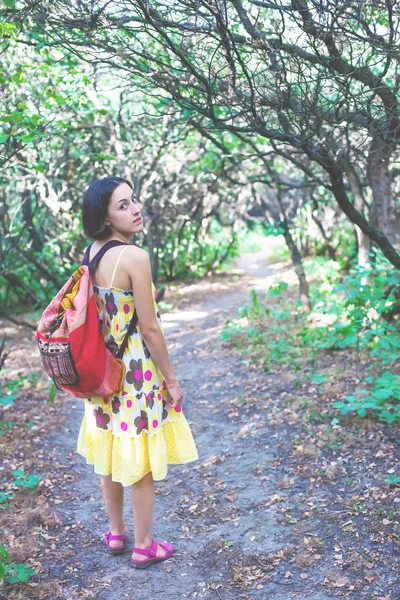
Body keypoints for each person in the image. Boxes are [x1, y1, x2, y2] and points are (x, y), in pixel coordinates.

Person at [77, 176, 198, 569]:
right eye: (123, 205)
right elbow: (149, 329)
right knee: (141, 459)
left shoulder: (91, 253)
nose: (135, 209)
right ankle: (144, 545)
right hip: (135, 374)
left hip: (102, 373)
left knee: (111, 451)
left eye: (134, 200)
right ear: (106, 217)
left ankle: (116, 533)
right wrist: (172, 380)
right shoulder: (134, 257)